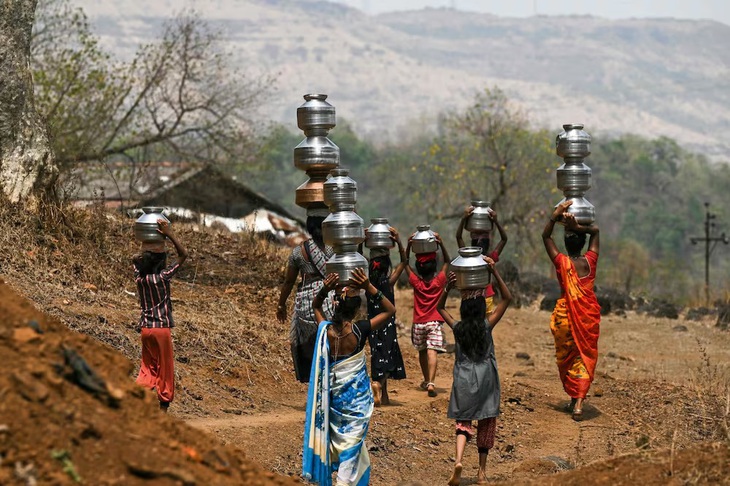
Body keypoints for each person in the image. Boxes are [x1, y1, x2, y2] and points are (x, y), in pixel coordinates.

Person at [303, 269, 396, 486]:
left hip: (334, 403)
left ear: (335, 305)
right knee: (351, 445)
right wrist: (369, 287)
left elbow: (315, 306)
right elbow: (390, 310)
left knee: (347, 445)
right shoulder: (360, 330)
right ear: (355, 311)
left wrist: (325, 289)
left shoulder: (325, 331)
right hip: (357, 406)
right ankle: (344, 483)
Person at [437, 258, 512, 486]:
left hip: (463, 378)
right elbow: (507, 298)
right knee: (486, 423)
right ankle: (481, 473)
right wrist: (494, 271)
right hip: (486, 377)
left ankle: (458, 460)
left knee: (463, 421)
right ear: (481, 309)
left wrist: (447, 288)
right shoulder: (487, 326)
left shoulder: (458, 328)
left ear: (463, 309)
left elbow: (439, 308)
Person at [542, 200, 601, 421]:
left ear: (566, 243)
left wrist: (555, 216)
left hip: (565, 318)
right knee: (584, 356)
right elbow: (596, 231)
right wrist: (578, 227)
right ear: (583, 241)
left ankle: (573, 396)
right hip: (587, 317)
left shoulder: (561, 263)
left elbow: (545, 237)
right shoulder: (590, 262)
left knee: (568, 357)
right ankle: (578, 404)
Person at [133, 219, 188, 412]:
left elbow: (136, 260)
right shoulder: (162, 278)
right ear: (160, 262)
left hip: (146, 329)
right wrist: (169, 233)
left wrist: (144, 238)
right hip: (161, 330)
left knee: (147, 367)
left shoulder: (139, 278)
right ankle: (163, 409)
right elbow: (184, 255)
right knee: (165, 368)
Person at [277, 215, 335, 383]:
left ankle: (314, 382)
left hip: (306, 303)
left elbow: (289, 281)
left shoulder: (298, 252)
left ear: (308, 229)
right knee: (330, 342)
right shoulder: (334, 250)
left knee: (309, 345)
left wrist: (281, 305)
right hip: (330, 300)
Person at [364, 226, 408, 407]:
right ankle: (377, 385)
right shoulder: (389, 282)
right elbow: (404, 262)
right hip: (388, 325)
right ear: (386, 266)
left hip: (373, 324)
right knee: (388, 357)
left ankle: (385, 395)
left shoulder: (366, 283)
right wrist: (398, 240)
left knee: (378, 356)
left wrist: (361, 241)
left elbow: (357, 259)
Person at [405, 231, 450, 397]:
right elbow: (448, 261)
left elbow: (404, 263)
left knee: (423, 351)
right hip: (434, 323)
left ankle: (425, 380)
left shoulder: (416, 282)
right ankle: (431, 382)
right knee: (432, 351)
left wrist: (409, 245)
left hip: (418, 323)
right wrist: (441, 243)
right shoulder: (439, 282)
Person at [456, 205, 508, 314]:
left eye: (483, 238)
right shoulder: (472, 257)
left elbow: (504, 239)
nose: (480, 240)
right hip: (475, 298)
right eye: (477, 237)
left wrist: (497, 222)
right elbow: (459, 237)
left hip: (480, 298)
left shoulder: (488, 258)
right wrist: (463, 219)